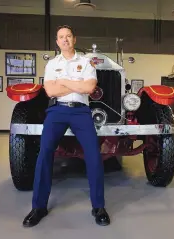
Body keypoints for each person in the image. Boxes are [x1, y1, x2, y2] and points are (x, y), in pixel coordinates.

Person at [22, 25, 110, 227]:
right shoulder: (52, 63)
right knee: (44, 153)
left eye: (68, 36)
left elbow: (89, 88)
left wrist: (63, 81)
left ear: (74, 39)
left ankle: (98, 207)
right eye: (61, 37)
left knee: (94, 155)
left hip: (81, 111)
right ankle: (38, 207)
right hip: (57, 111)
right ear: (57, 41)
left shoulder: (86, 62)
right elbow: (51, 91)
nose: (65, 40)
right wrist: (75, 84)